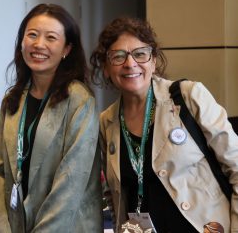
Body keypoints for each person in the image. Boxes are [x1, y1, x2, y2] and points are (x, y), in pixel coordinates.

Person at [90, 16, 238, 232]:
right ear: (106, 67)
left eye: (140, 54)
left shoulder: (188, 96)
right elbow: (114, 197)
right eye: (118, 56)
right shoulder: (107, 122)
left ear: (154, 60)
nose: (130, 64)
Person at [0, 3, 103, 232]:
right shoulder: (13, 100)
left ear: (66, 49)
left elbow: (71, 184)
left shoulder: (79, 100)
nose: (39, 44)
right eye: (32, 35)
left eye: (51, 37)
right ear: (22, 42)